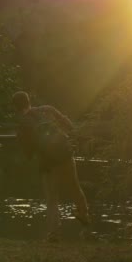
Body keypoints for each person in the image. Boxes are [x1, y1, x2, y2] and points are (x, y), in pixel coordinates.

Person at [12, 91, 90, 241]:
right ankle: (84, 214)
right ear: (29, 101)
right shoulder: (47, 109)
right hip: (66, 155)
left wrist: (28, 154)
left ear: (15, 107)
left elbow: (28, 151)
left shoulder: (24, 123)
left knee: (52, 197)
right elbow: (69, 126)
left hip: (48, 163)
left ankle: (54, 233)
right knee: (75, 186)